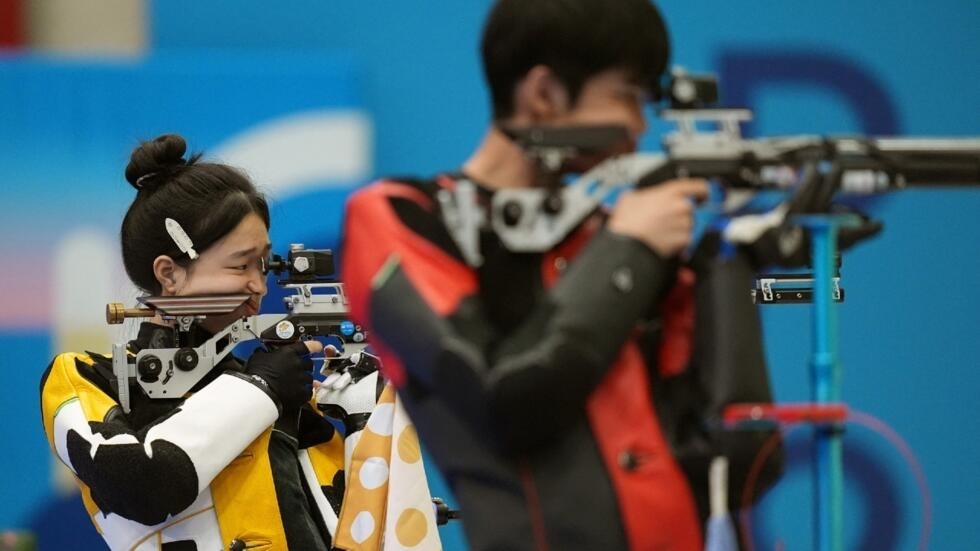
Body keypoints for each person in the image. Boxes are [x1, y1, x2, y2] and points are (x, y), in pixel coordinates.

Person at [335, 1, 872, 549]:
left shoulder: (613, 242)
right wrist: (629, 249)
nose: (640, 127)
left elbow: (740, 464)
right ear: (543, 93)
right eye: (626, 97)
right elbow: (504, 403)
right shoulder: (401, 217)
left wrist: (729, 267)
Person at [39, 134, 385, 550]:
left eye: (263, 264)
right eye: (241, 265)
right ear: (169, 274)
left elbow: (351, 524)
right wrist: (260, 390)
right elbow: (144, 485)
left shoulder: (281, 391)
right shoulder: (83, 378)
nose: (258, 286)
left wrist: (363, 417)